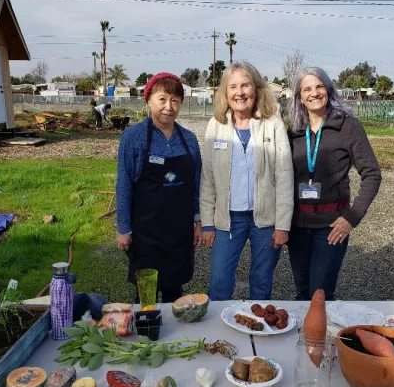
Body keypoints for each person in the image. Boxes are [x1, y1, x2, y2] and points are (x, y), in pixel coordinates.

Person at [200, 61, 294, 301]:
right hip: (227, 219)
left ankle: (258, 331)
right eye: (233, 87)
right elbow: (208, 178)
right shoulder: (216, 126)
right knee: (219, 282)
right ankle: (219, 335)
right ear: (225, 92)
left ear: (256, 88)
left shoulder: (272, 124)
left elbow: (284, 176)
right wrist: (208, 223)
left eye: (245, 85)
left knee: (261, 281)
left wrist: (282, 225)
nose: (239, 92)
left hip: (264, 220)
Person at [287, 67, 382, 301]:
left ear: (329, 90)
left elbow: (371, 173)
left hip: (331, 227)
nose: (314, 93)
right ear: (300, 97)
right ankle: (303, 338)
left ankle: (320, 338)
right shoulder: (294, 131)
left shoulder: (348, 127)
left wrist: (352, 217)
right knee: (301, 293)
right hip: (296, 226)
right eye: (307, 89)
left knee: (320, 295)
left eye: (319, 86)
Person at [116, 73, 202, 303]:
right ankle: (146, 336)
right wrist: (123, 228)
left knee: (175, 294)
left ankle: (174, 337)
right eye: (162, 99)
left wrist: (198, 220)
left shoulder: (189, 139)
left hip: (179, 233)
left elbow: (196, 183)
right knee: (146, 295)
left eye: (175, 100)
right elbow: (124, 184)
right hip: (146, 233)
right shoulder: (133, 137)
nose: (168, 107)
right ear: (149, 100)